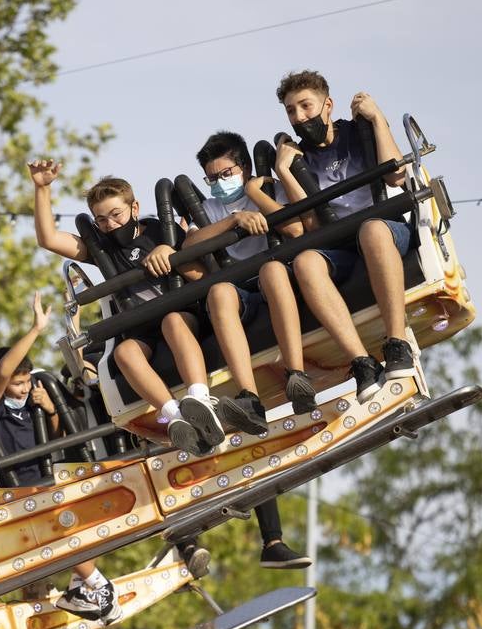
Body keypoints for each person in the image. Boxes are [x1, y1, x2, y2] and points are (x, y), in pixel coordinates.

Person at [28, 161, 224, 457]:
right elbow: (49, 239)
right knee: (124, 353)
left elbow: (200, 273)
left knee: (172, 321)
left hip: (180, 313)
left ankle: (199, 400)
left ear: (134, 208)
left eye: (116, 214)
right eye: (102, 219)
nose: (110, 225)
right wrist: (42, 188)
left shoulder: (161, 231)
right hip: (141, 326)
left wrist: (170, 253)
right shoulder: (103, 250)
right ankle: (175, 417)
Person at [0, 291, 121, 624]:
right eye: (18, 384)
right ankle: (99, 587)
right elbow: (2, 373)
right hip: (15, 489)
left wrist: (50, 408)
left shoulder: (32, 402)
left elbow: (56, 438)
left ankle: (80, 585)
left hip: (42, 479)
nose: (23, 389)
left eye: (26, 382)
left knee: (80, 510)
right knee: (56, 518)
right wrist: (36, 329)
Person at [274, 69, 417, 403]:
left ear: (328, 105)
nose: (300, 117)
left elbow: (396, 175)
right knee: (306, 262)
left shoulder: (357, 132)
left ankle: (397, 344)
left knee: (371, 230)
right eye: (291, 111)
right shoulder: (298, 160)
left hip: (385, 231)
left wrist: (377, 117)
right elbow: (308, 224)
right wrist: (283, 171)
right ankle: (362, 363)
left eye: (306, 106)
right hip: (340, 245)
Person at [182, 129, 314, 433]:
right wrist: (234, 220)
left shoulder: (269, 188)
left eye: (226, 173)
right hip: (239, 290)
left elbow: (295, 229)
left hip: (277, 279)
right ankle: (249, 399)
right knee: (218, 293)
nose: (219, 183)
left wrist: (255, 196)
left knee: (272, 270)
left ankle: (297, 376)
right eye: (211, 179)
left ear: (246, 169)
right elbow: (188, 248)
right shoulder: (210, 210)